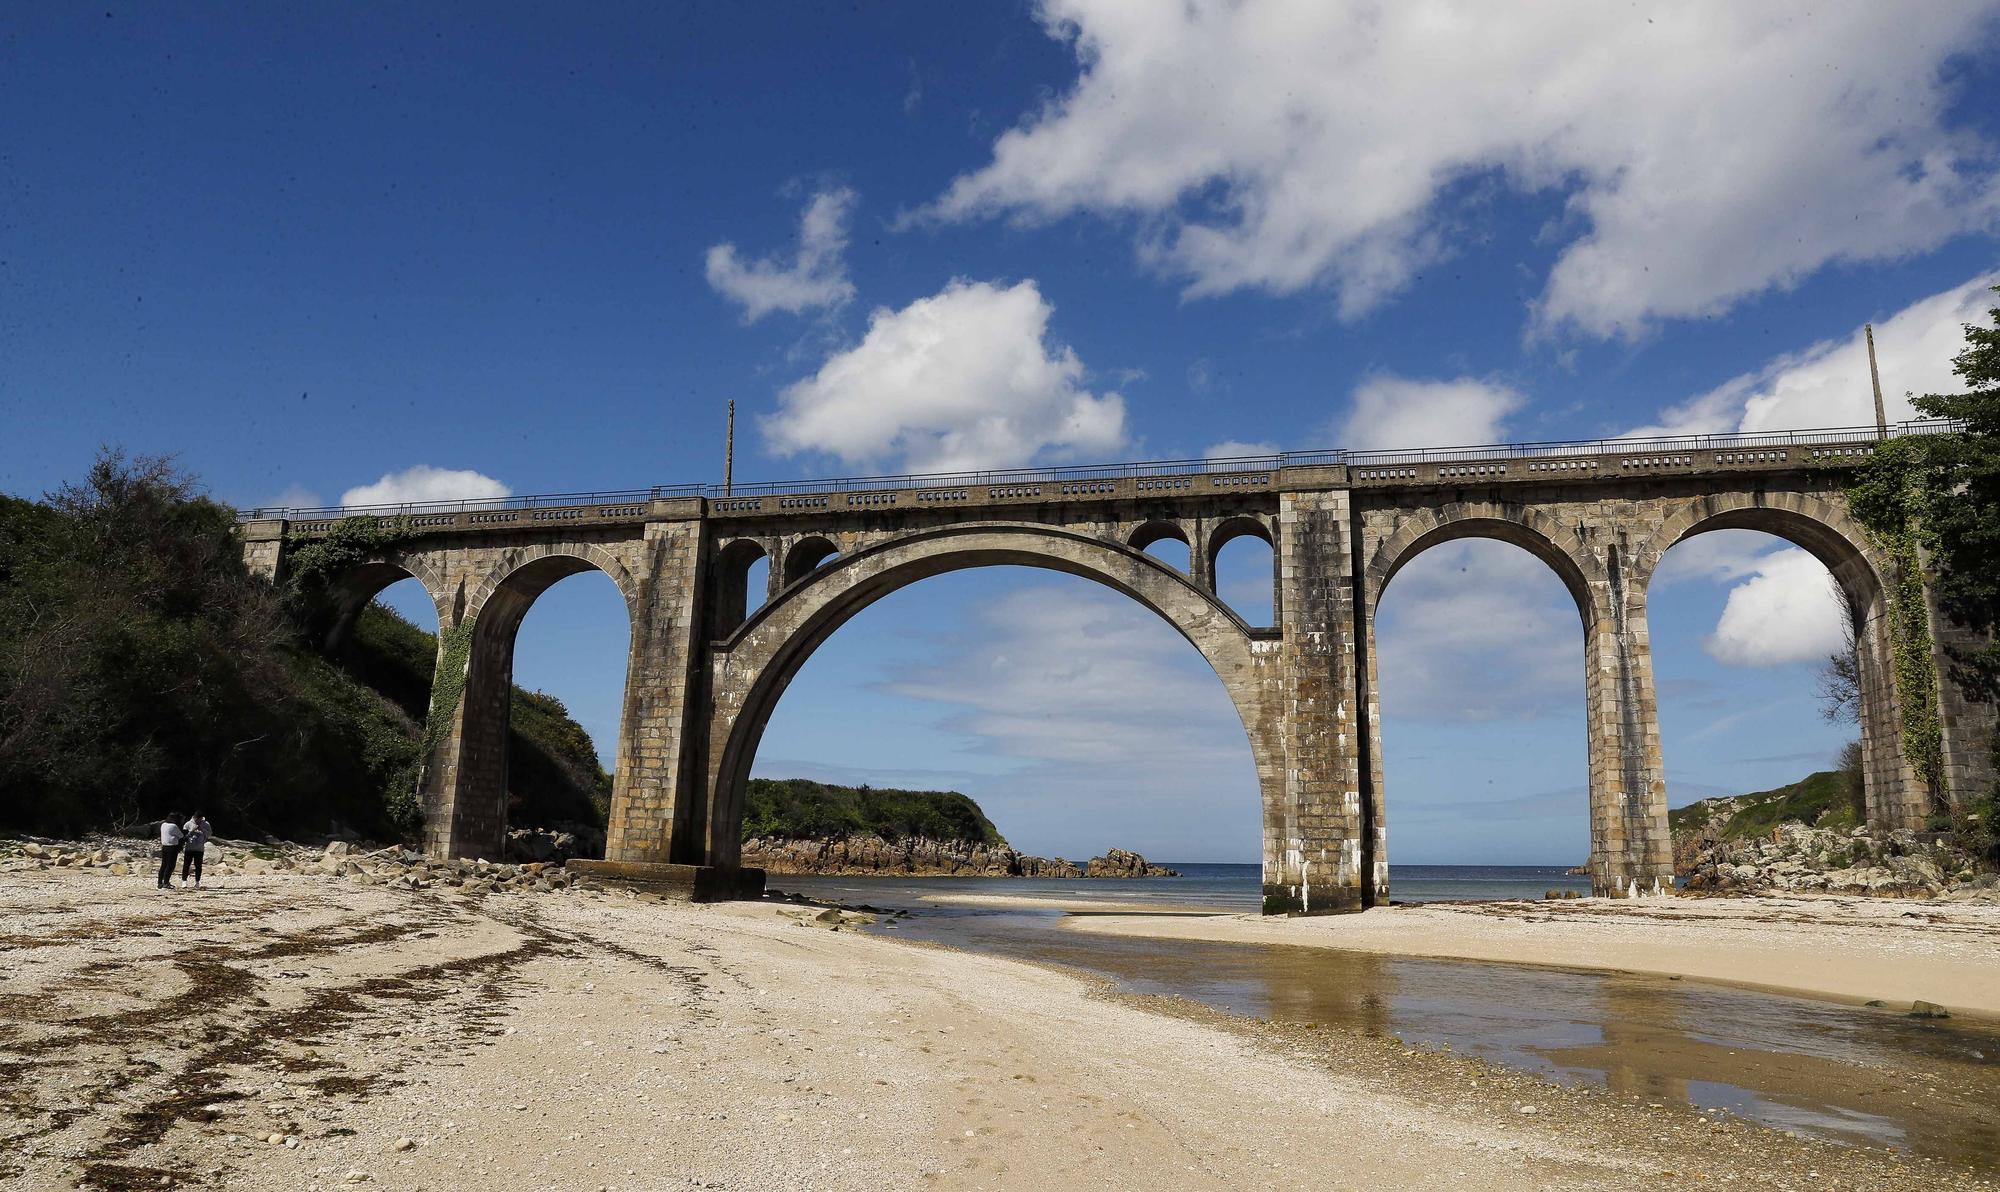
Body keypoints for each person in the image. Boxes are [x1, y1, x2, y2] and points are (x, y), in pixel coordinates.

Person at [181, 812, 212, 887]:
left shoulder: (206, 824)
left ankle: (197, 882)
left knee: (198, 866)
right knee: (186, 865)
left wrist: (203, 830)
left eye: (199, 819)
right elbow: (183, 836)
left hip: (199, 848)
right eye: (196, 819)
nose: (197, 821)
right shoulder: (188, 824)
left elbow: (209, 835)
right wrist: (191, 831)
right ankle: (184, 881)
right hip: (189, 848)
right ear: (194, 817)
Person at [156, 814, 183, 890]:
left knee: (164, 865)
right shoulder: (173, 826)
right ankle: (166, 883)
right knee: (170, 865)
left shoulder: (163, 824)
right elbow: (181, 835)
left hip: (164, 846)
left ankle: (160, 883)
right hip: (172, 847)